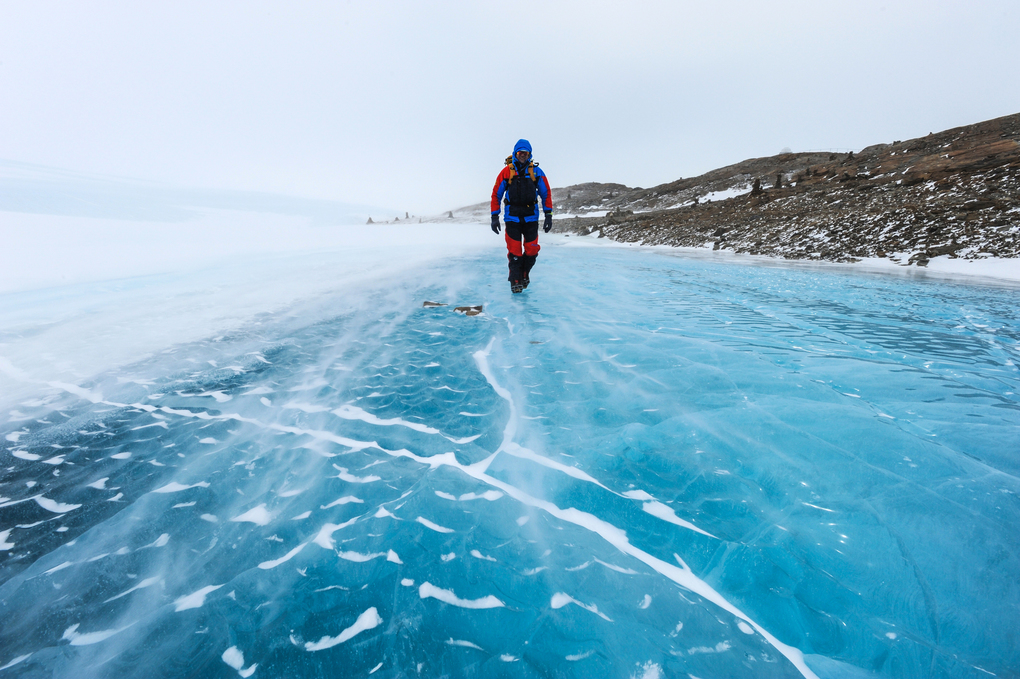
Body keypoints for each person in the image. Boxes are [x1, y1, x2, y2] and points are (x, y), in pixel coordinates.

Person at [490, 139, 553, 293]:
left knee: (532, 250)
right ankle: (515, 280)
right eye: (520, 153)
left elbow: (546, 194)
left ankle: (524, 273)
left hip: (531, 217)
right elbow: (496, 195)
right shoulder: (506, 172)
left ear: (529, 154)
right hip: (512, 218)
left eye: (526, 153)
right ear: (515, 153)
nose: (523, 156)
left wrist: (548, 215)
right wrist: (494, 216)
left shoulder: (537, 172)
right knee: (515, 252)